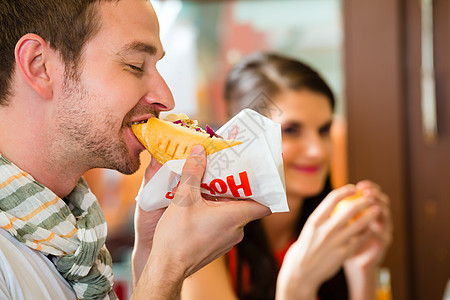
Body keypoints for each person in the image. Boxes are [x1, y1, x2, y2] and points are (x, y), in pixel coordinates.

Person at [0, 1, 271, 299]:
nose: (166, 99)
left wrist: (148, 261)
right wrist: (167, 270)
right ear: (39, 65)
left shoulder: (74, 234)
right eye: (135, 66)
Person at [181, 52, 393, 300]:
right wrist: (296, 288)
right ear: (241, 140)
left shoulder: (335, 229)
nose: (318, 151)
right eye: (292, 130)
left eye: (324, 130)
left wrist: (362, 269)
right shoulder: (206, 242)